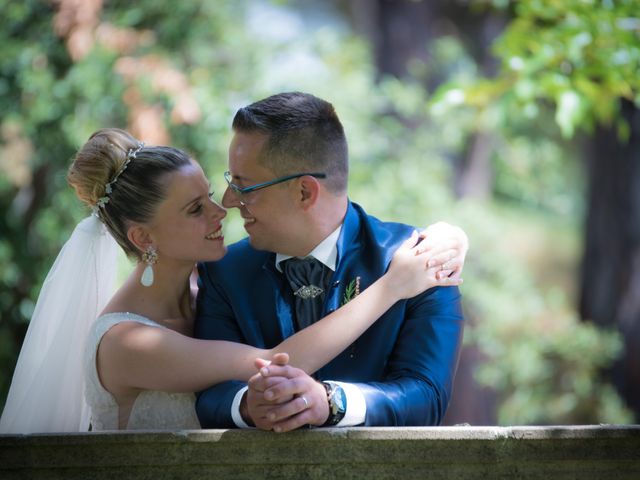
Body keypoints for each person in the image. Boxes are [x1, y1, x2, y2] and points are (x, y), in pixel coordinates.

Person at [0, 128, 465, 434]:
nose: (222, 210)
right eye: (194, 208)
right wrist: (391, 287)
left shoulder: (208, 289)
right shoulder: (126, 340)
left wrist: (451, 234)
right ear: (143, 236)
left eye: (208, 194)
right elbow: (269, 362)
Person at [195, 92, 466, 432]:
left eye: (244, 186)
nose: (229, 200)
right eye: (230, 182)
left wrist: (331, 402)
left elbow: (427, 398)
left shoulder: (421, 262)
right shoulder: (223, 271)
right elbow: (209, 394)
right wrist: (247, 405)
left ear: (305, 192)